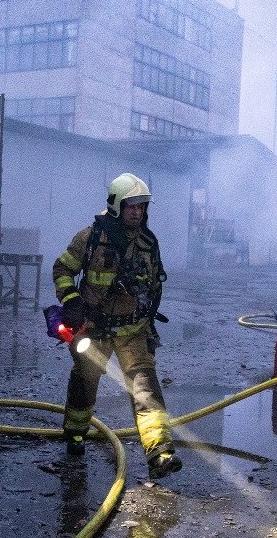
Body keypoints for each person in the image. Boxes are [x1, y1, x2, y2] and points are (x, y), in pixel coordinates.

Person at [52, 173, 183, 480]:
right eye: (131, 206)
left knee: (145, 389)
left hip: (133, 331)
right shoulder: (90, 237)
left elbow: (153, 288)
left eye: (142, 206)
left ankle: (160, 453)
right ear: (116, 206)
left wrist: (148, 323)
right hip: (94, 328)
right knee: (85, 382)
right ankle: (74, 433)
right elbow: (62, 269)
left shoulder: (148, 244)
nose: (137, 212)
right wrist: (71, 300)